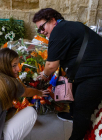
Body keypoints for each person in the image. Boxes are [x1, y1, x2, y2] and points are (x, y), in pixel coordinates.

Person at [33, 8, 102, 140]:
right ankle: (72, 116)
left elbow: (51, 65)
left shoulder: (58, 31)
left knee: (82, 108)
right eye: (39, 30)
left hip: (95, 74)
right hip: (88, 72)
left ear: (53, 20)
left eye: (42, 27)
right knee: (76, 101)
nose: (42, 32)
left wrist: (44, 75)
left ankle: (76, 137)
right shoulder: (67, 26)